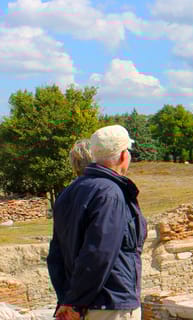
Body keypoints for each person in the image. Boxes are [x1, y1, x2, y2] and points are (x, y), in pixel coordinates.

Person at [47, 125, 146, 320]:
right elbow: (99, 253)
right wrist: (74, 302)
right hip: (109, 304)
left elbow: (56, 254)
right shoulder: (110, 192)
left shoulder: (68, 192)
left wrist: (67, 299)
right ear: (123, 156)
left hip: (82, 304)